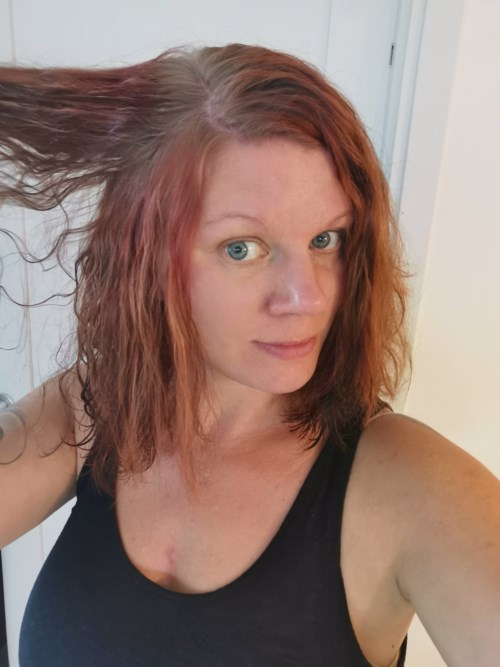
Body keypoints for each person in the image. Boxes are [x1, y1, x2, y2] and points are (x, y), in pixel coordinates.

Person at [0, 43, 498, 667]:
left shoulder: (409, 484)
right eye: (243, 248)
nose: (308, 297)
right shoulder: (95, 406)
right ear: (147, 258)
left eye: (326, 239)